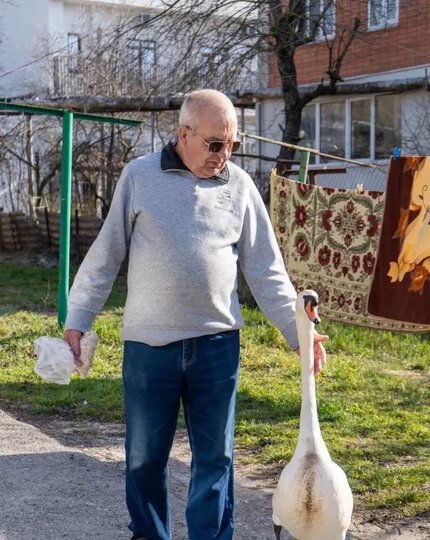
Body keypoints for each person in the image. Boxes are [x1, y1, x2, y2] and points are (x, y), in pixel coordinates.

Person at [63, 89, 328, 540]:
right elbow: (106, 254)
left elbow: (266, 269)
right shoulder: (139, 176)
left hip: (217, 347)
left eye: (232, 144)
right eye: (214, 144)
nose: (223, 155)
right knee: (144, 459)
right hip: (149, 348)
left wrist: (296, 332)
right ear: (183, 134)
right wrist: (78, 319)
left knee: (215, 460)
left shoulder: (239, 185)